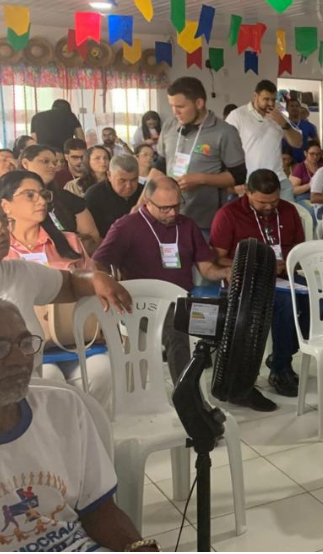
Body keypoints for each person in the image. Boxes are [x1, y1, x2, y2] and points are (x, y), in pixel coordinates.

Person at [0, 301, 154, 552]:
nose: (19, 359)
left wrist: (139, 548)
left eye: (25, 343)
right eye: (1, 348)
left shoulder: (62, 407)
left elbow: (99, 510)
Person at [94, 176, 230, 382]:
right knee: (177, 330)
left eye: (177, 205)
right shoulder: (126, 226)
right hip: (143, 305)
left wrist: (226, 272)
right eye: (165, 208)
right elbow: (98, 263)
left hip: (183, 301)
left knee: (229, 321)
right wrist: (105, 281)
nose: (173, 213)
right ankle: (186, 394)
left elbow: (207, 269)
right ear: (147, 202)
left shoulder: (187, 225)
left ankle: (228, 386)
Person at [0, 171, 111, 405]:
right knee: (49, 379)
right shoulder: (12, 263)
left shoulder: (61, 246)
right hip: (36, 361)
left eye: (43, 194)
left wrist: (95, 278)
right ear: (6, 205)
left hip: (73, 338)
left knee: (101, 370)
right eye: (30, 195)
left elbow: (71, 283)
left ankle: (84, 424)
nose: (41, 201)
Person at [210, 170, 305, 407]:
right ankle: (281, 368)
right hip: (246, 279)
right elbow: (218, 258)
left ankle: (283, 353)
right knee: (285, 303)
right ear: (247, 192)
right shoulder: (229, 214)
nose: (269, 207)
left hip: (284, 275)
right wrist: (259, 265)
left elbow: (299, 249)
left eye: (274, 201)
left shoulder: (288, 210)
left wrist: (287, 262)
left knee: (316, 299)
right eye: (262, 202)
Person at [153, 77, 247, 232]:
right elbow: (158, 168)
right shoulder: (170, 125)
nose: (175, 112)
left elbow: (239, 176)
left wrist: (201, 179)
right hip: (168, 217)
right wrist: (140, 204)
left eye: (180, 106)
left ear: (199, 103)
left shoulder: (225, 132)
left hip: (205, 222)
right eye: (172, 106)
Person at [226, 80, 300, 202]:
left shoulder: (279, 116)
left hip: (279, 180)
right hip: (250, 182)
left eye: (273, 100)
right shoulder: (238, 115)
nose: (270, 103)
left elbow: (297, 143)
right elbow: (226, 148)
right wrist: (234, 181)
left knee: (288, 213)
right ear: (255, 96)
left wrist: (283, 123)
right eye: (266, 99)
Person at [19, 145, 101, 253]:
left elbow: (93, 238)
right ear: (25, 163)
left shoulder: (68, 199)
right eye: (45, 161)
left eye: (54, 162)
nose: (52, 166)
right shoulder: (11, 200)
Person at [84, 154, 142, 238]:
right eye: (122, 181)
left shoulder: (144, 193)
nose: (128, 186)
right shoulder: (94, 196)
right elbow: (92, 235)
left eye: (133, 180)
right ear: (109, 175)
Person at [281, 97, 319, 164]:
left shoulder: (308, 125)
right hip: (285, 162)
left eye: (297, 106)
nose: (294, 108)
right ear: (287, 109)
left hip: (303, 162)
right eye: (292, 106)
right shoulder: (282, 124)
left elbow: (316, 143)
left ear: (300, 108)